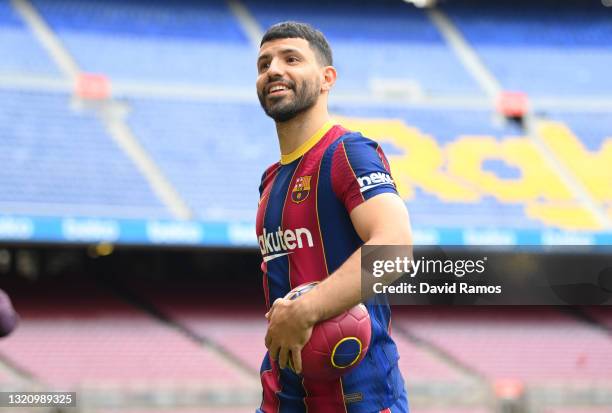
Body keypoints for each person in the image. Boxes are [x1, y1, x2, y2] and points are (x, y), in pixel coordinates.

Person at [255, 21, 412, 412]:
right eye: (264, 63)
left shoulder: (347, 152)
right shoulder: (270, 180)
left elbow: (394, 248)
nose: (273, 69)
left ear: (327, 79)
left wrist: (307, 310)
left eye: (291, 59)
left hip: (360, 399)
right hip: (282, 400)